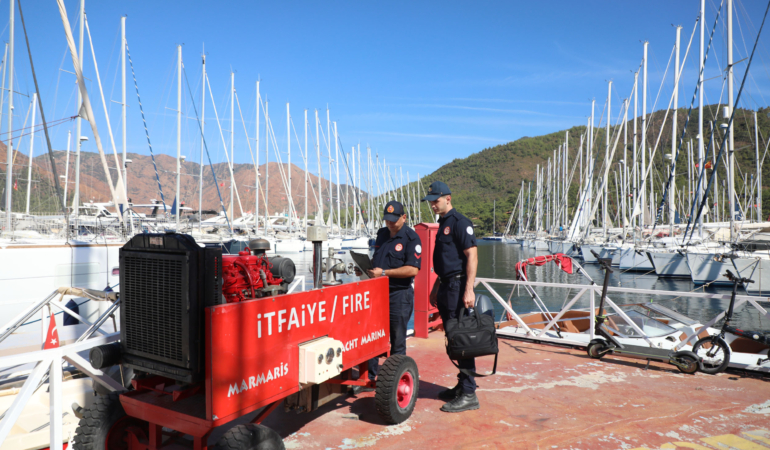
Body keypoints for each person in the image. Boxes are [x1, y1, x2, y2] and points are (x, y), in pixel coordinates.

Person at [421, 181, 480, 413]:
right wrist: (436, 286)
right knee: (454, 341)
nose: (433, 205)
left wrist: (469, 289)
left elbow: (471, 257)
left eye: (436, 200)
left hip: (457, 288)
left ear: (448, 198)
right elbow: (447, 263)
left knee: (462, 340)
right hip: (446, 285)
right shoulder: (443, 223)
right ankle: (463, 384)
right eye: (431, 201)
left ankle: (469, 394)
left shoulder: (459, 222)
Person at [354, 200, 421, 392]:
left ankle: (395, 385)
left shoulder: (411, 238)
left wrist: (383, 273)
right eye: (387, 220)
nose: (390, 224)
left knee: (397, 341)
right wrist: (365, 270)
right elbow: (378, 261)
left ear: (404, 217)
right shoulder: (382, 234)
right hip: (377, 294)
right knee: (372, 337)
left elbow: (412, 270)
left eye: (394, 220)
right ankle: (370, 379)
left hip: (399, 295)